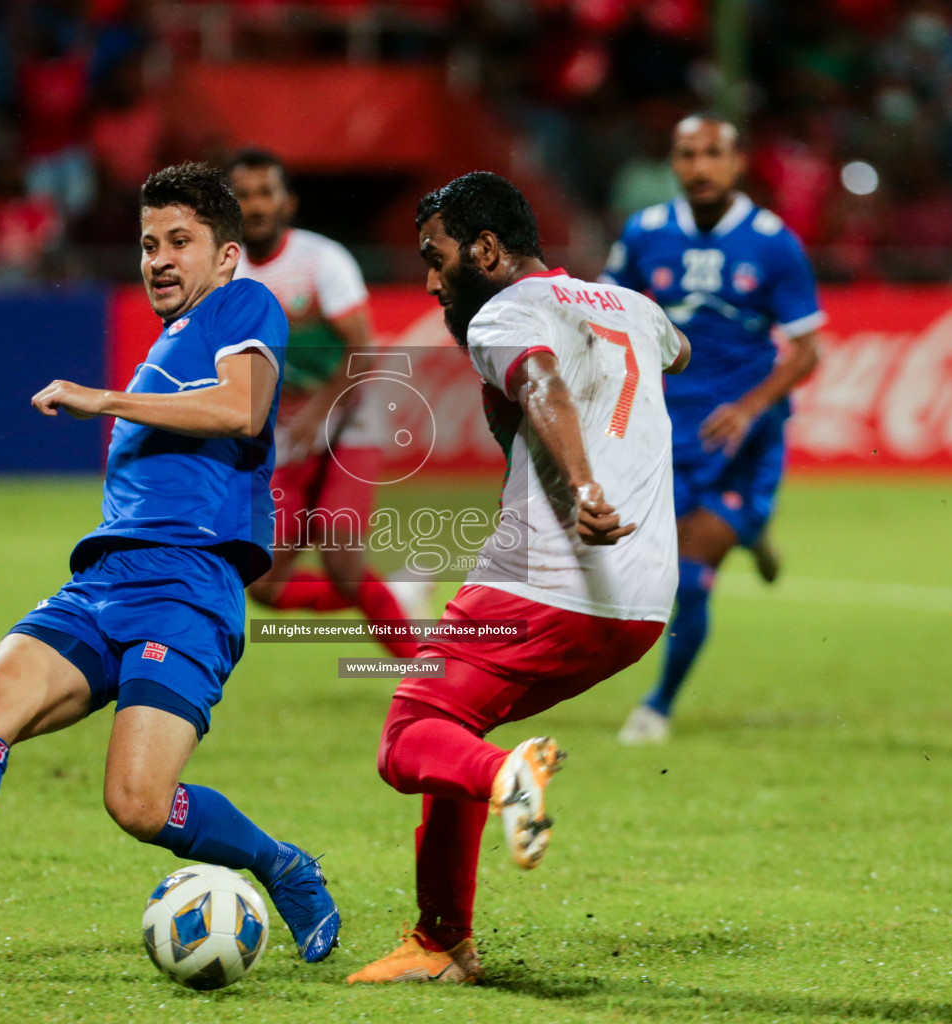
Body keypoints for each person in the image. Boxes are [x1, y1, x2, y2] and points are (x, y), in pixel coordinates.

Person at [0, 163, 342, 965]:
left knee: (138, 802)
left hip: (187, 590)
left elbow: (242, 409)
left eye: (179, 242)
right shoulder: (168, 343)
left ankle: (281, 865)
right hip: (104, 584)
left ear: (225, 255)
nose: (157, 258)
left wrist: (104, 398)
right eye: (149, 242)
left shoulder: (242, 304)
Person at [347, 172, 690, 984]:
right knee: (451, 725)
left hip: (545, 578)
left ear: (488, 250)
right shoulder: (633, 307)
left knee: (407, 740)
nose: (432, 280)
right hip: (639, 603)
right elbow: (682, 349)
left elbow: (540, 382)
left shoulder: (502, 313)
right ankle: (443, 944)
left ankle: (508, 779)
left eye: (437, 258)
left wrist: (582, 483)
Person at [604, 114, 824, 745]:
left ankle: (659, 707)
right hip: (662, 433)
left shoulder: (773, 242)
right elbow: (608, 314)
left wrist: (752, 408)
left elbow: (808, 349)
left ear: (738, 163)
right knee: (638, 569)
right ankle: (755, 534)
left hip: (740, 437)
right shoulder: (645, 234)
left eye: (711, 155)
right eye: (685, 154)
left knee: (692, 576)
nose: (698, 167)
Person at [229, 149, 431, 657]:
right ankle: (399, 595)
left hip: (349, 419)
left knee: (341, 557)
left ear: (287, 203)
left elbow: (361, 347)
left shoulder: (321, 260)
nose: (254, 205)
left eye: (264, 193)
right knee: (265, 585)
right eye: (242, 195)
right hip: (289, 436)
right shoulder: (222, 273)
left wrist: (319, 412)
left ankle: (426, 670)